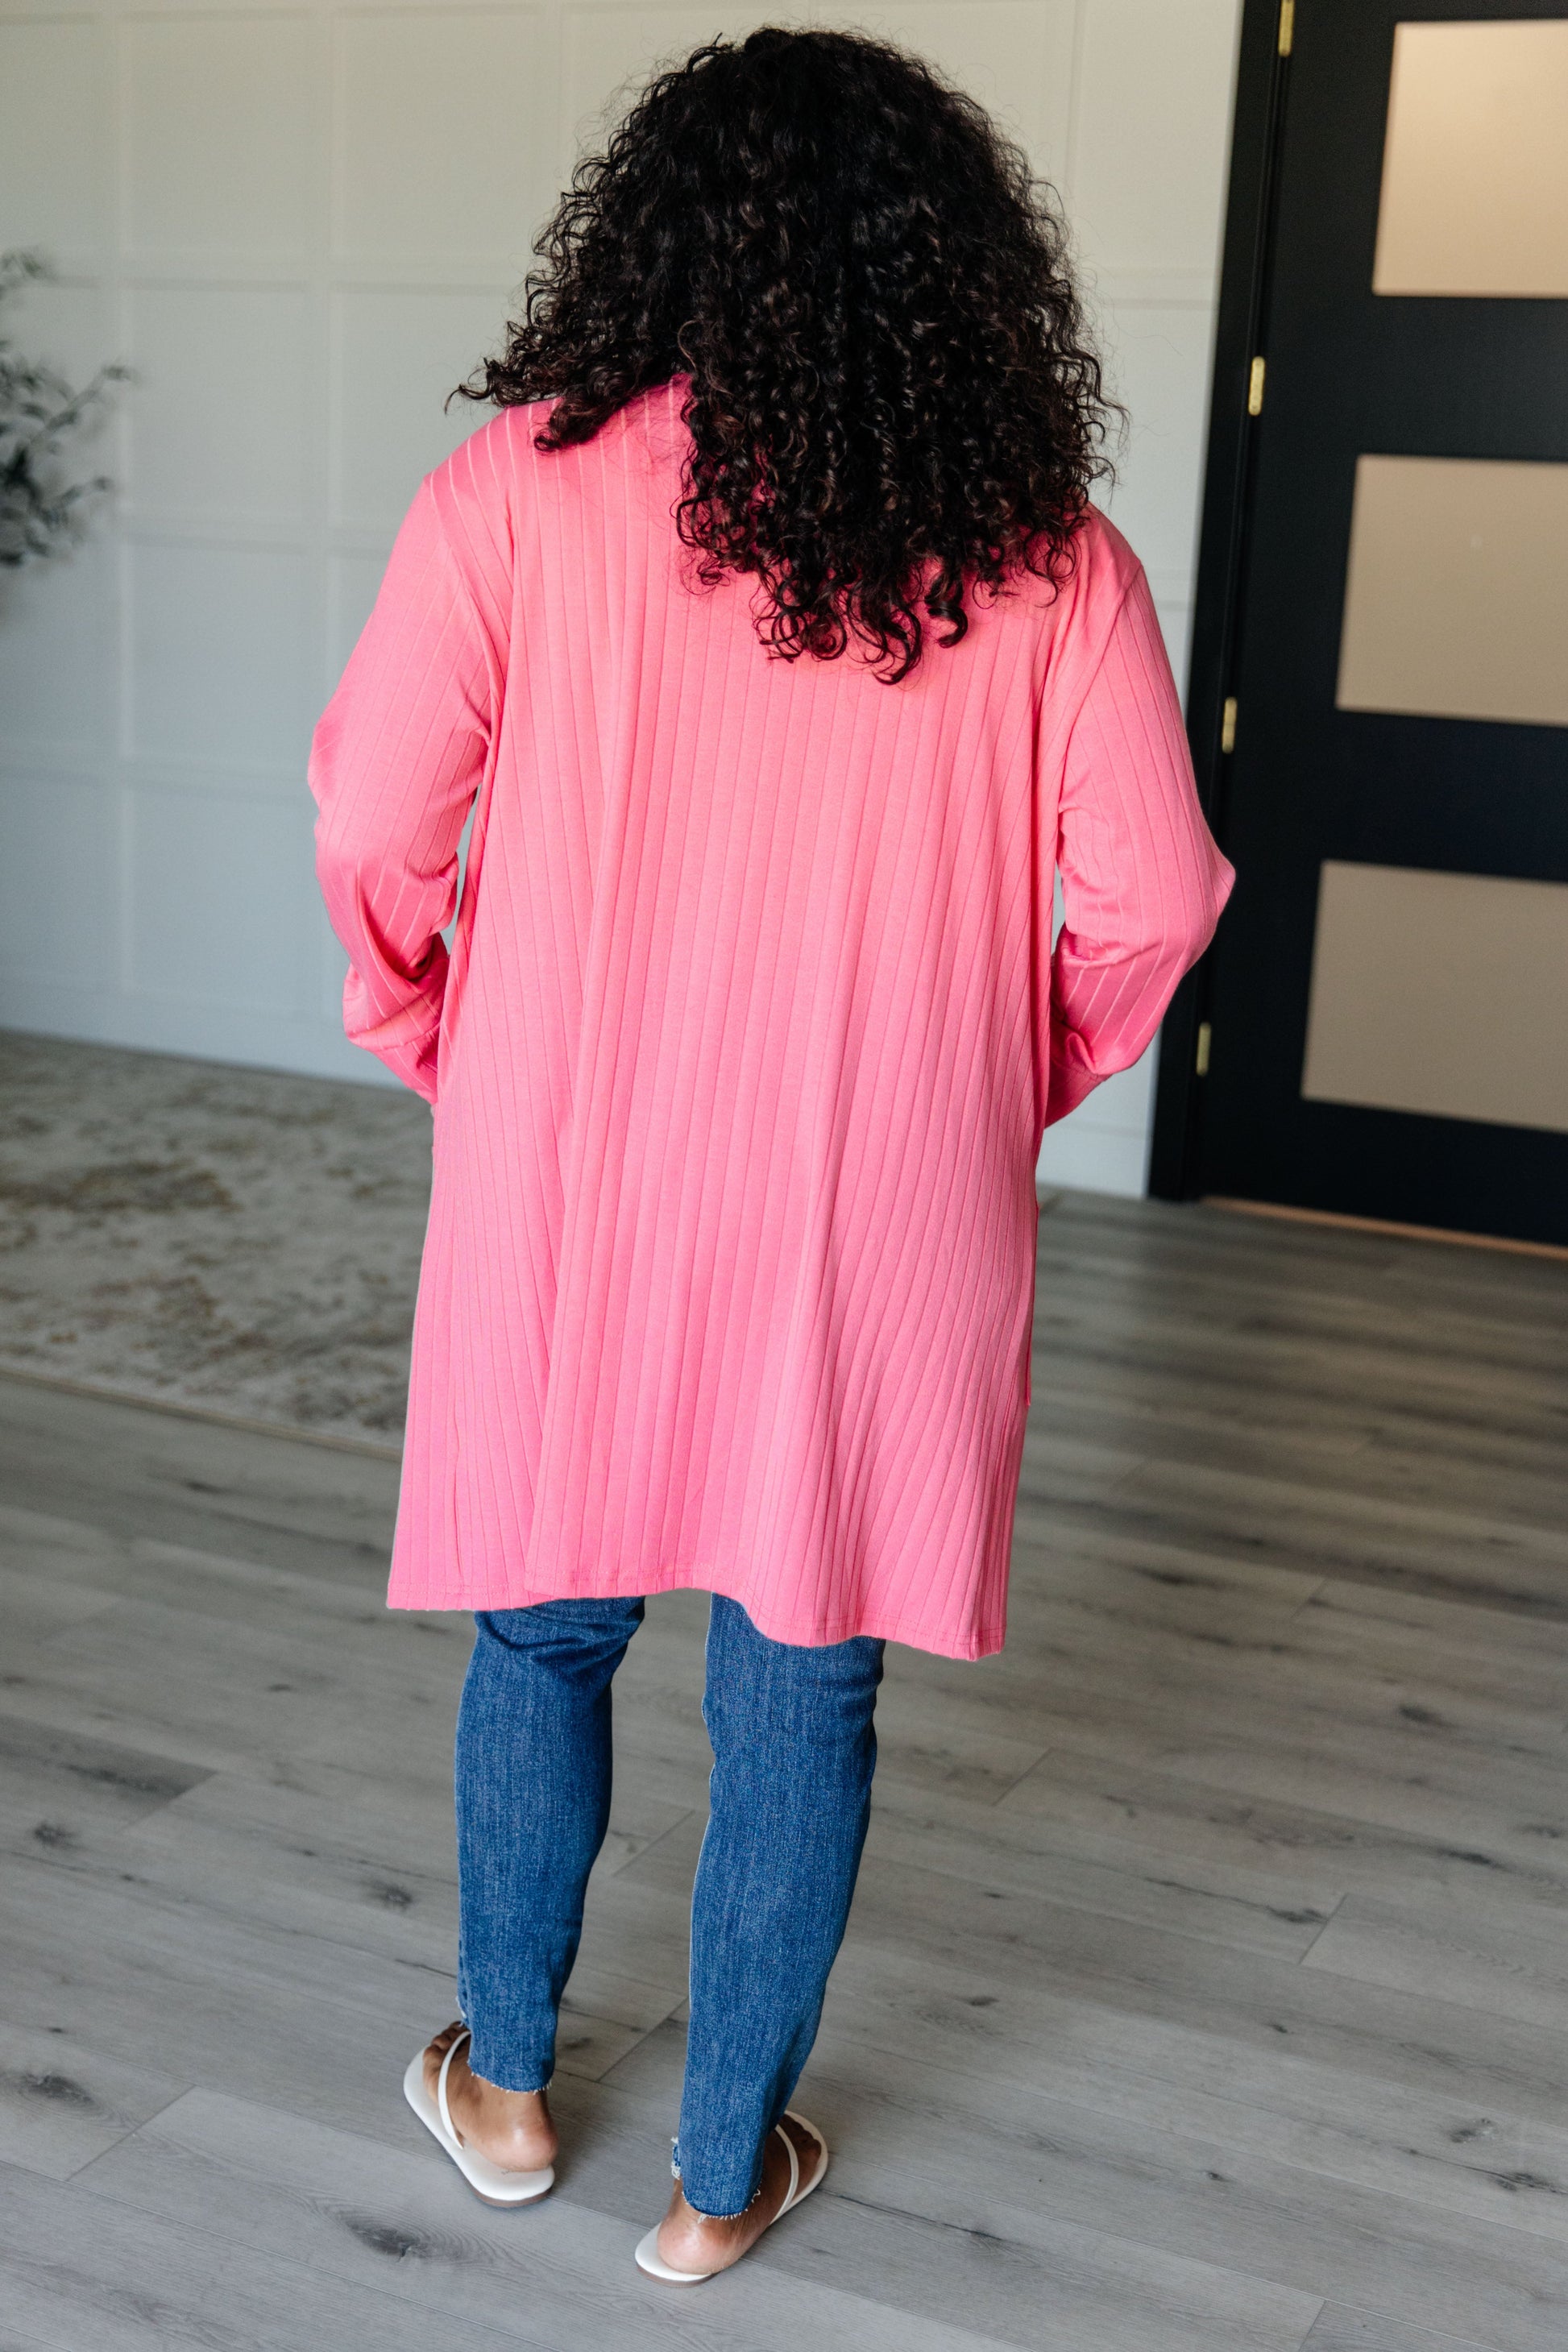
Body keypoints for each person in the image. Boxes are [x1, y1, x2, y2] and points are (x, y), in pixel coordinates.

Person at [309, 24, 1234, 2285]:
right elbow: (1158, 902)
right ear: (956, 272)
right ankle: (722, 2176)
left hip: (578, 1160)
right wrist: (1001, 1073)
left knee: (543, 1626)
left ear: (646, 246)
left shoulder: (512, 491)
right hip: (875, 1194)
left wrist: (431, 1017)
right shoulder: (1048, 554)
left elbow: (366, 817)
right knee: (805, 1663)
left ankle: (507, 2088)